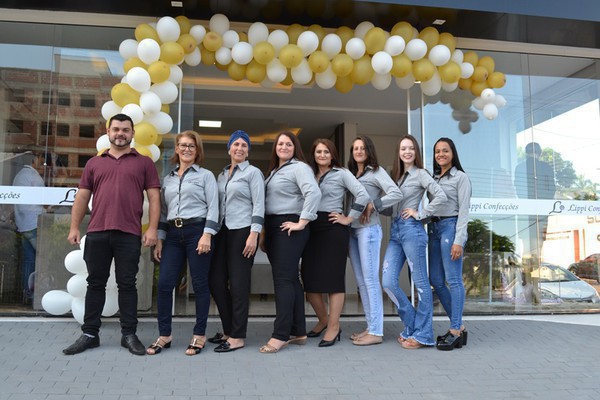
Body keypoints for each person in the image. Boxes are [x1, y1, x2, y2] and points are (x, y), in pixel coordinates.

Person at [63, 113, 161, 356]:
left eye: (125, 130)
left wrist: (152, 229)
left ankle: (129, 335)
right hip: (97, 232)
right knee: (95, 283)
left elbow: (154, 198)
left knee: (127, 284)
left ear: (132, 133)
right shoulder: (94, 163)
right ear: (108, 132)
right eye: (116, 129)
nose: (120, 134)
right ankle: (90, 334)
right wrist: (74, 227)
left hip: (129, 233)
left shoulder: (144, 163)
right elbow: (82, 196)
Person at [146, 131, 219, 356]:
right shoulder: (167, 179)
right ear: (176, 149)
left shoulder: (206, 176)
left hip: (197, 231)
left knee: (199, 283)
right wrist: (160, 238)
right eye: (183, 145)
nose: (187, 149)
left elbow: (214, 207)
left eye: (192, 146)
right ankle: (164, 335)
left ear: (197, 151)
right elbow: (163, 211)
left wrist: (207, 234)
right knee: (165, 283)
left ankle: (199, 335)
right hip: (172, 235)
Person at [301, 139, 369, 347]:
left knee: (333, 280)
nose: (322, 155)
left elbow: (363, 195)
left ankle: (333, 326)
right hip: (311, 227)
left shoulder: (342, 173)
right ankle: (323, 320)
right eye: (318, 152)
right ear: (314, 154)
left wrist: (349, 218)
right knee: (309, 280)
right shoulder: (308, 174)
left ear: (332, 155)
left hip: (333, 228)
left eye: (326, 152)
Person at [381, 135, 446, 349]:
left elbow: (441, 196)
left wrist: (421, 214)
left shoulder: (421, 174)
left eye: (411, 148)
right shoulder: (396, 177)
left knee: (420, 283)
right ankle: (412, 325)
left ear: (416, 152)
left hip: (412, 231)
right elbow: (390, 207)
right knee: (388, 282)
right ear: (399, 153)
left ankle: (424, 334)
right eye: (403, 148)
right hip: (396, 232)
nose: (407, 152)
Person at [258, 130, 321, 353]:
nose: (284, 147)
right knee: (291, 280)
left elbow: (313, 193)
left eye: (288, 144)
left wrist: (302, 222)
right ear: (275, 148)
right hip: (274, 227)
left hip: (289, 226)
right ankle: (298, 331)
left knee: (283, 280)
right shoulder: (274, 172)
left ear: (295, 148)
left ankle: (280, 335)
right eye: (280, 144)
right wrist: (265, 232)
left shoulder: (299, 167)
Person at [207, 130, 265, 353]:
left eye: (244, 145)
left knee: (239, 285)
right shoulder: (222, 175)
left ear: (248, 151)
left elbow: (259, 204)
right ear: (229, 148)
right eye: (236, 144)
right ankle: (229, 329)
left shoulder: (253, 173)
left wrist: (254, 234)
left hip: (243, 231)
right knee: (216, 281)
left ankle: (238, 336)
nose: (239, 148)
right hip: (222, 231)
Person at [347, 136, 402, 346]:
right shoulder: (352, 174)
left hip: (368, 230)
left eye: (362, 148)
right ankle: (371, 326)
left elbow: (396, 193)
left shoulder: (376, 172)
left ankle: (377, 331)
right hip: (352, 230)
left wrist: (374, 204)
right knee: (361, 281)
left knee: (370, 280)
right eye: (355, 148)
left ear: (369, 150)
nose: (358, 151)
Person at [428, 137, 472, 351]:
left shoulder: (460, 178)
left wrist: (458, 241)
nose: (441, 154)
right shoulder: (433, 178)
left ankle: (455, 330)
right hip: (434, 229)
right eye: (437, 151)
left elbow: (464, 211)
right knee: (436, 279)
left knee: (453, 280)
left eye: (445, 150)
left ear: (452, 153)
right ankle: (459, 326)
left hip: (450, 228)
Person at [12, 152, 45, 305]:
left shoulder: (19, 176)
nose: (42, 161)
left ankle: (27, 292)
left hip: (23, 224)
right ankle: (39, 293)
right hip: (34, 223)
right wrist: (46, 210)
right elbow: (42, 198)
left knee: (29, 260)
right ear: (34, 160)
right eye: (40, 158)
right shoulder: (33, 176)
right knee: (44, 258)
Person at [514, 142, 556, 258]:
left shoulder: (520, 168)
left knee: (526, 247)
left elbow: (518, 190)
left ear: (526, 153)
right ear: (540, 153)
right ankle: (535, 268)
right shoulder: (546, 168)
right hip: (541, 211)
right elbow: (551, 189)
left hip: (525, 210)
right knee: (538, 247)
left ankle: (526, 268)